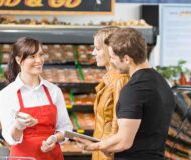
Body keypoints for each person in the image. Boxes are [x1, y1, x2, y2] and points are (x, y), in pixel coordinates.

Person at [74, 28, 175, 160]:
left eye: (112, 57)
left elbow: (123, 141)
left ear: (127, 59)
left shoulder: (134, 89)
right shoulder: (161, 81)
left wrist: (93, 146)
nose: (112, 62)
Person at [0, 37, 73, 160]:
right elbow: (11, 139)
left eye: (41, 55)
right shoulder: (6, 94)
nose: (39, 60)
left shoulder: (54, 91)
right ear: (18, 60)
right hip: (22, 157)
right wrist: (18, 126)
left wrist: (55, 138)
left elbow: (66, 128)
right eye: (32, 56)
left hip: (52, 156)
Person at [91, 27, 129, 160]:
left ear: (109, 50)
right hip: (100, 147)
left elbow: (117, 123)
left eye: (98, 48)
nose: (93, 53)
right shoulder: (109, 80)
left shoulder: (120, 81)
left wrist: (109, 151)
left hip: (108, 152)